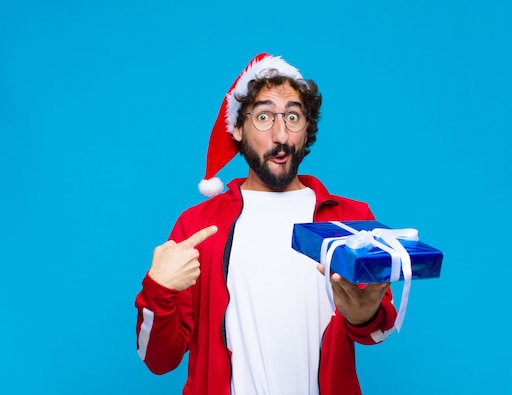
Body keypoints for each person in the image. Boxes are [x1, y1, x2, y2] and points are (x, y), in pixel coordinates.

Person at [134, 53, 397, 395]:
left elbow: (377, 332)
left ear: (307, 130)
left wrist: (364, 315)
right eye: (263, 117)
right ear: (238, 129)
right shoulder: (197, 226)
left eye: (292, 116)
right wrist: (159, 290)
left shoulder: (349, 219)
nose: (280, 134)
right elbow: (159, 360)